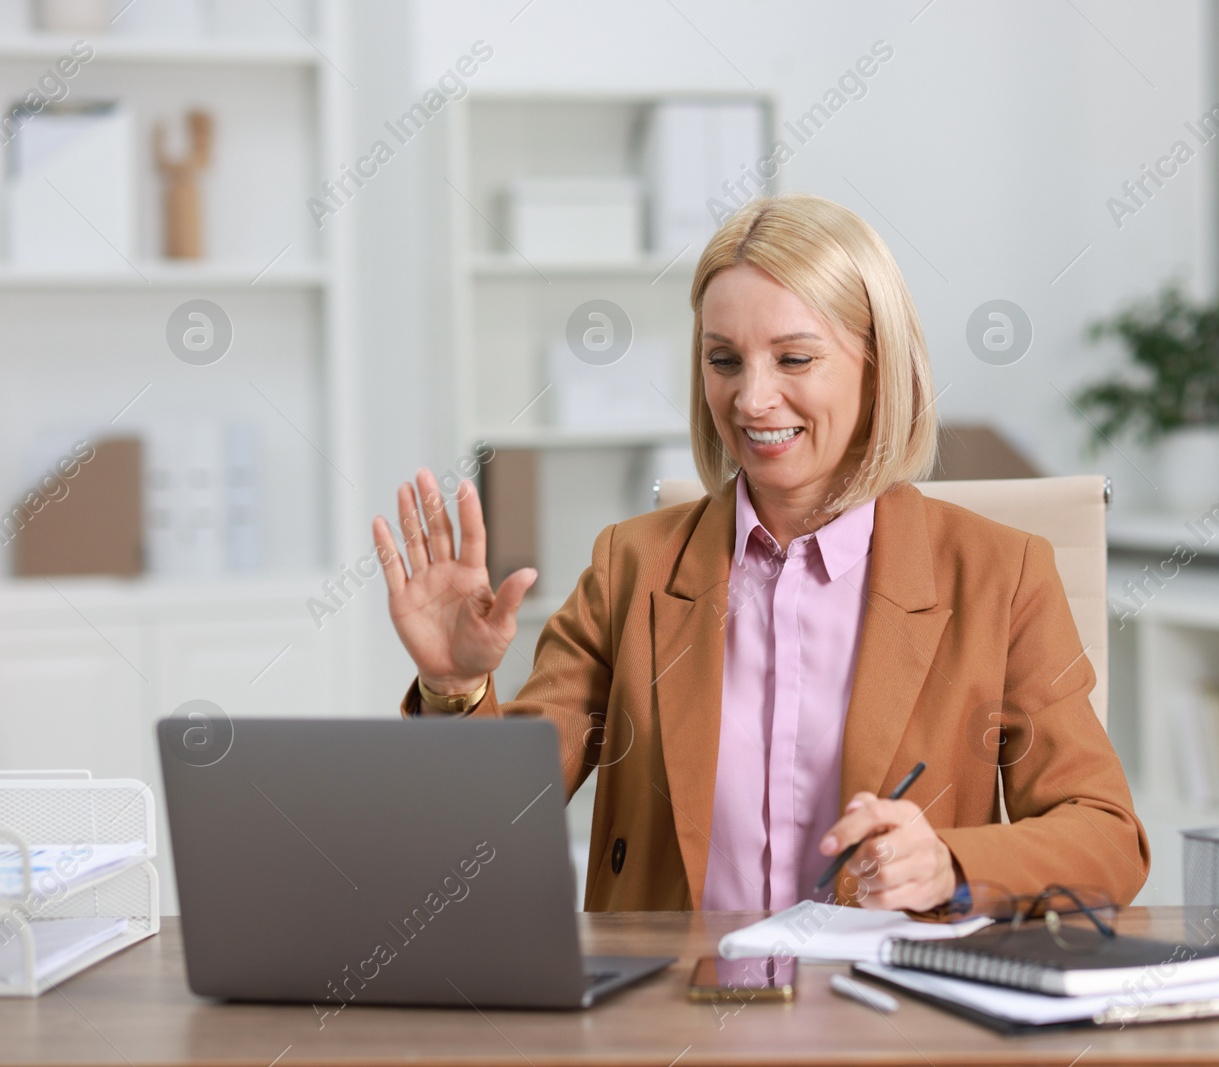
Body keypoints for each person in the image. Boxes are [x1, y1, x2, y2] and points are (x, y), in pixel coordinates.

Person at [375, 192, 1149, 915]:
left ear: (878, 367)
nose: (750, 399)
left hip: (885, 1019)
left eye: (794, 358)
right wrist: (455, 686)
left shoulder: (999, 575)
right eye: (724, 360)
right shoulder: (632, 568)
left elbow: (1107, 836)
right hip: (672, 1020)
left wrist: (950, 862)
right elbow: (492, 823)